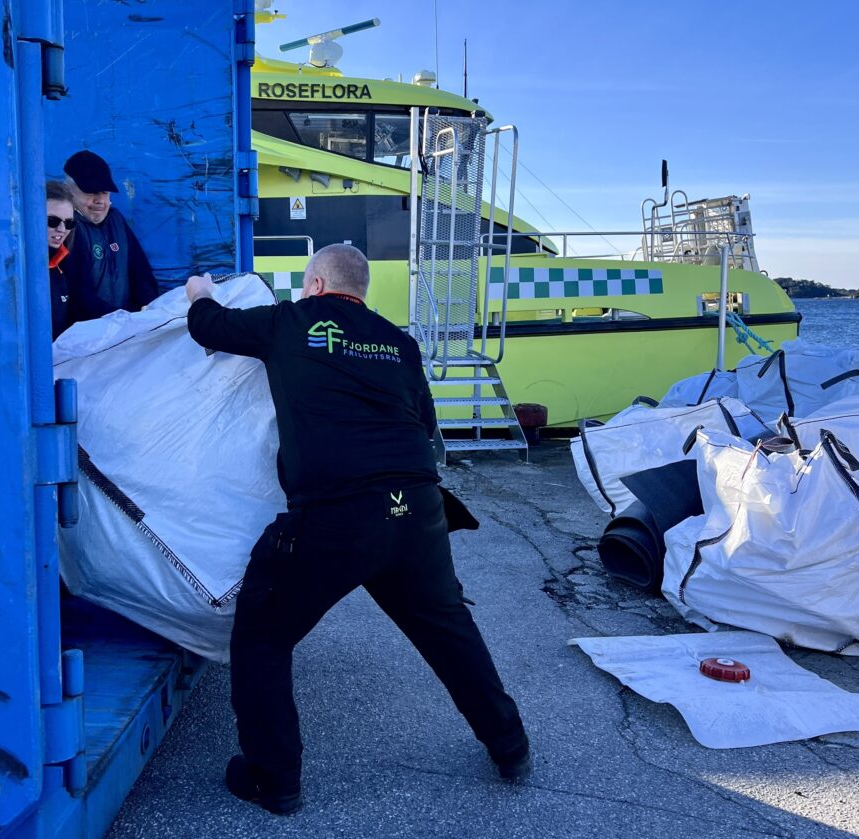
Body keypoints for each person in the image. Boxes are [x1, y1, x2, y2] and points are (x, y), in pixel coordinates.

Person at [185, 244, 530, 816]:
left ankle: (274, 779)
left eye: (305, 285)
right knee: (449, 631)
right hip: (416, 510)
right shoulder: (399, 342)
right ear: (361, 290)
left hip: (335, 517)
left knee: (263, 636)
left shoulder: (291, 322)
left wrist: (200, 292)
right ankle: (511, 746)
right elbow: (423, 424)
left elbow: (210, 327)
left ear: (316, 285)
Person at [62, 150, 158, 322]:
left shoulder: (116, 220)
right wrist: (117, 321)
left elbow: (141, 275)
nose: (100, 201)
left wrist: (144, 316)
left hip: (122, 330)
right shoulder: (65, 228)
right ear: (68, 190)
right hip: (87, 335)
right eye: (91, 192)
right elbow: (77, 293)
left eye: (105, 193)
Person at [46, 180, 76, 338]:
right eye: (52, 221)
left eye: (69, 223)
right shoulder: (17, 269)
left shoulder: (62, 263)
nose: (62, 230)